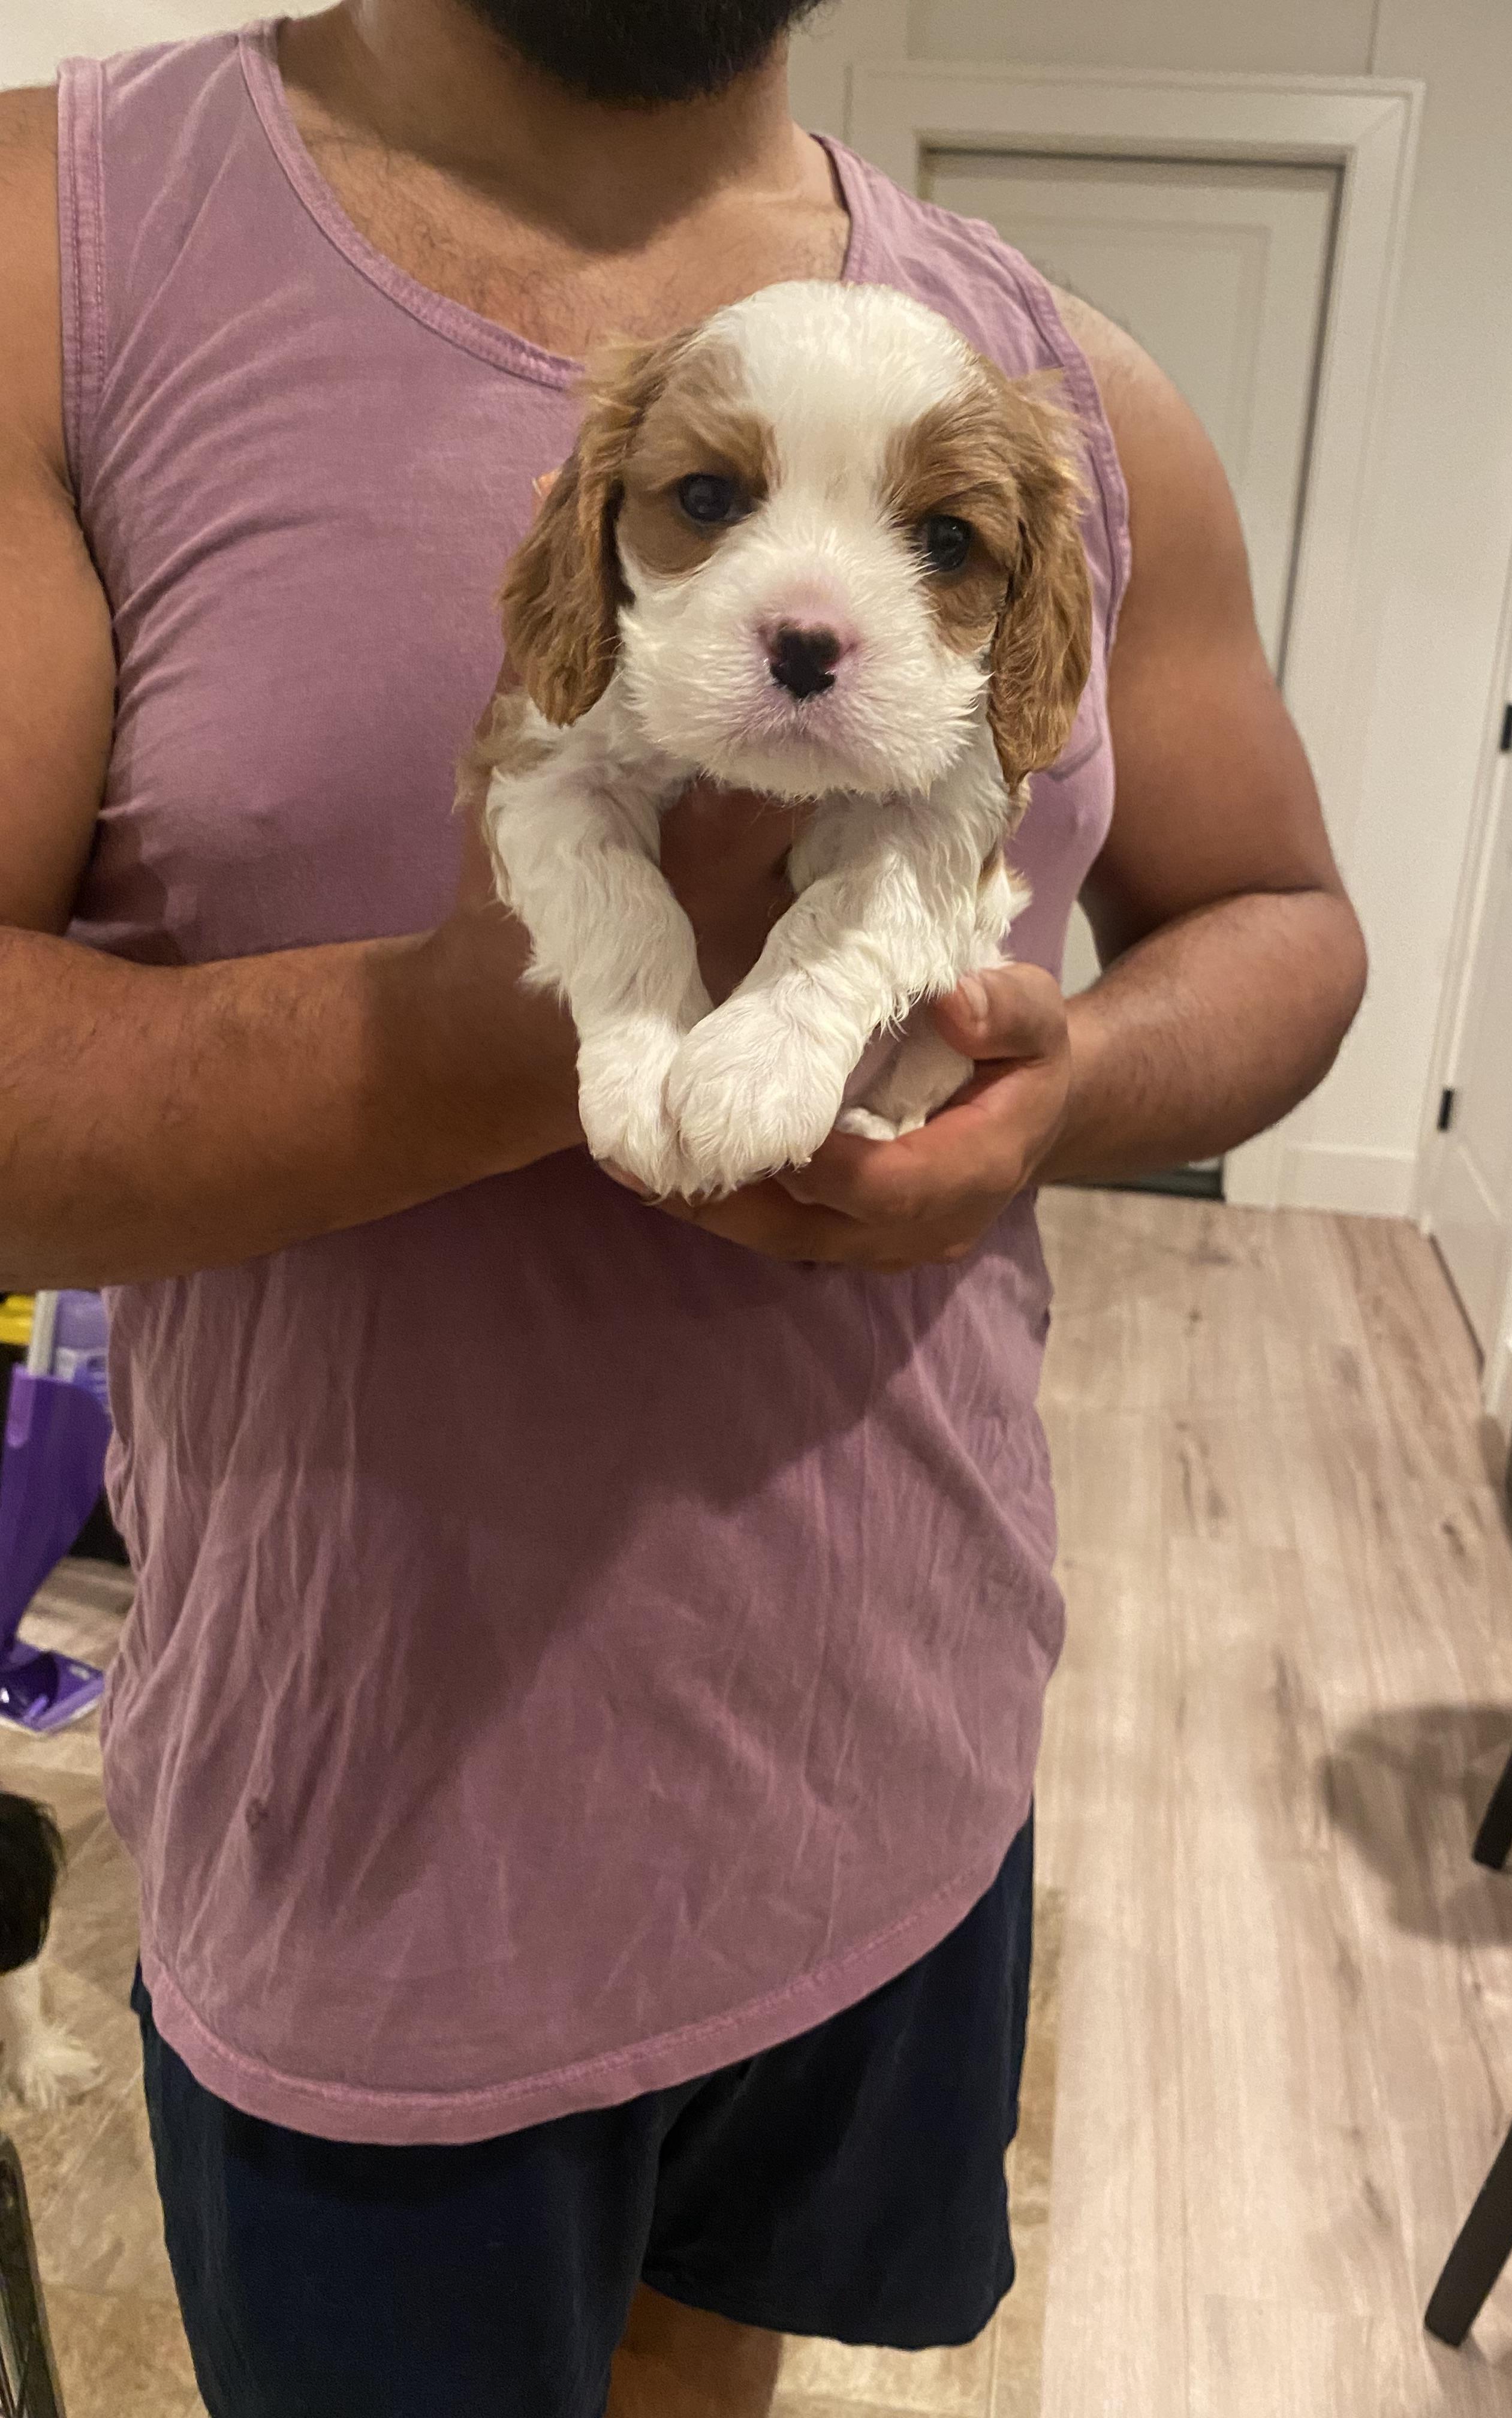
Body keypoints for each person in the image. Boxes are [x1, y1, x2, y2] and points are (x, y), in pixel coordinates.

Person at [0, 2, 1366, 2410]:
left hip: (894, 1762)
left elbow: (1284, 919)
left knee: (715, 2381)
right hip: (367, 1842)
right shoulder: (57, 247)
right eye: (707, 502)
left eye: (930, 544)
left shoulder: (1081, 391)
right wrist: (496, 1039)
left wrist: (1068, 1089)